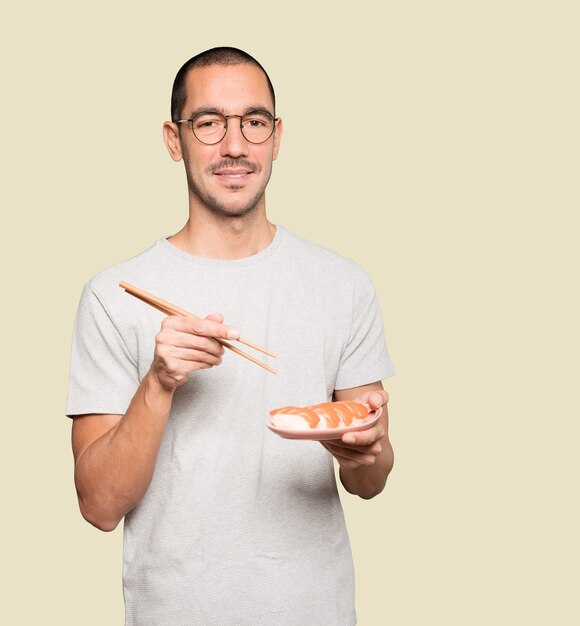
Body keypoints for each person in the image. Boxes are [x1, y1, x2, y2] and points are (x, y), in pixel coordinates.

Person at [67, 46, 395, 626]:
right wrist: (160, 382)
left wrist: (365, 452)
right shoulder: (114, 292)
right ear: (175, 140)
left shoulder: (343, 284)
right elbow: (98, 506)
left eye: (254, 122)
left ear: (276, 135)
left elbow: (370, 480)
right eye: (210, 123)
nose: (235, 146)